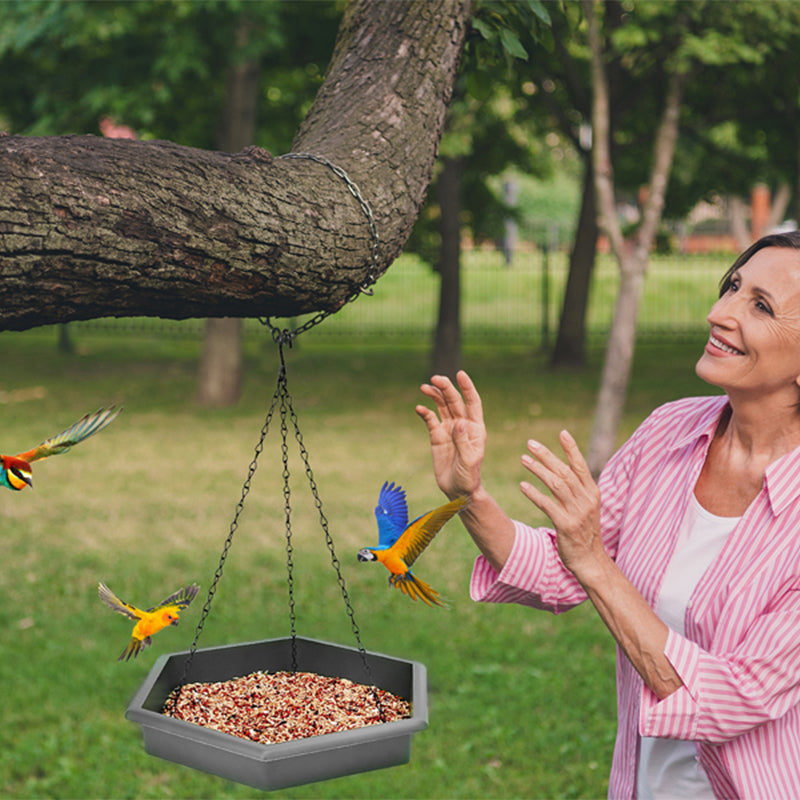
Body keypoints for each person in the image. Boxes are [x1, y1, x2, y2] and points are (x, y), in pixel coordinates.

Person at [415, 231, 800, 799]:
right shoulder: (670, 430)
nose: (720, 313)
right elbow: (561, 569)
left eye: (761, 306)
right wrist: (469, 495)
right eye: (732, 288)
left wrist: (592, 559)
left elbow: (724, 697)